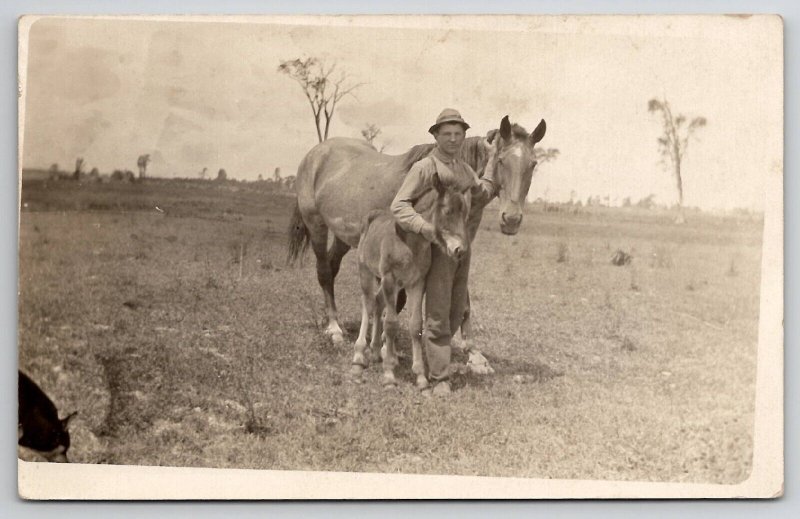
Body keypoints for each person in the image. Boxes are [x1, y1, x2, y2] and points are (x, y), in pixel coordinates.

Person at [391, 108, 496, 396]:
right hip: (437, 249)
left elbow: (481, 194)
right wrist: (426, 230)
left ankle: (438, 360)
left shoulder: (464, 169)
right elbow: (398, 206)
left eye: (458, 134)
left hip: (462, 249)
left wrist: (493, 160)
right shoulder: (424, 168)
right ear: (435, 135)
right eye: (447, 134)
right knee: (437, 311)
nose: (453, 139)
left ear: (464, 137)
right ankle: (439, 378)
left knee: (455, 309)